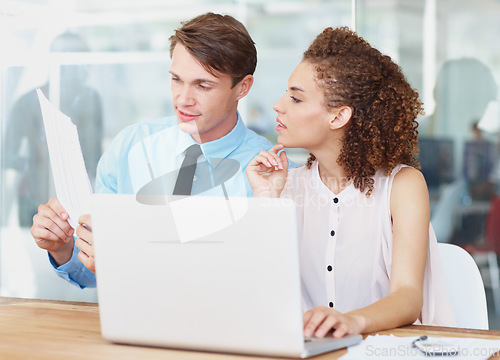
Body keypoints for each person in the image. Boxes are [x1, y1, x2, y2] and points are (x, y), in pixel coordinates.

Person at [30, 12, 278, 288]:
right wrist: (62, 248)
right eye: (176, 80)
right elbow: (94, 270)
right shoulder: (129, 147)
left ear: (242, 87)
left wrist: (128, 264)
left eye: (202, 85)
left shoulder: (269, 173)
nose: (183, 99)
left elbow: (256, 282)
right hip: (130, 325)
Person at [246, 27, 456, 338]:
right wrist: (266, 198)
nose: (278, 105)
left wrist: (352, 322)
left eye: (295, 98)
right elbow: (257, 294)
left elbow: (408, 297)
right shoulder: (285, 185)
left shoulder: (403, 186)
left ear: (338, 116)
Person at [4, 32, 103, 227]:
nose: (78, 68)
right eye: (70, 56)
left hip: (79, 197)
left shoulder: (91, 99)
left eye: (80, 57)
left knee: (74, 254)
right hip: (35, 197)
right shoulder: (29, 101)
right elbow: (7, 153)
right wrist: (35, 166)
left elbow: (95, 155)